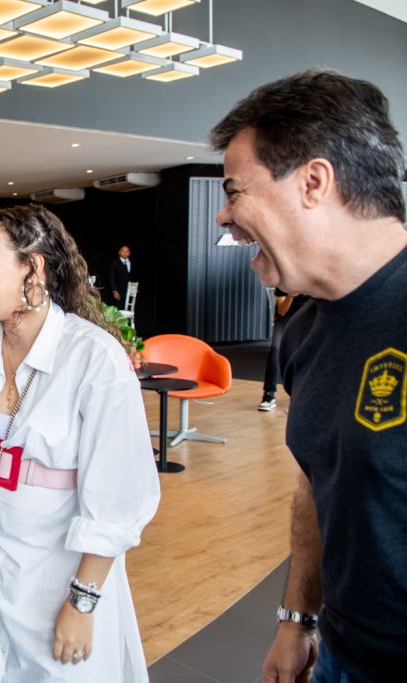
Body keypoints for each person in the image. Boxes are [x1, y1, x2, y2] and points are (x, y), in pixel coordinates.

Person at [211, 69, 407, 682]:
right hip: (341, 655)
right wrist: (298, 618)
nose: (223, 217)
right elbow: (319, 484)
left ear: (314, 182)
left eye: (235, 191)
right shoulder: (303, 333)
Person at [0, 205, 161, 681]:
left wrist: (82, 603)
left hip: (60, 575)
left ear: (33, 267)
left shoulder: (94, 359)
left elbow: (117, 498)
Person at [258, 288, 309, 411]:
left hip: (305, 317)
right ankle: (269, 395)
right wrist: (291, 295)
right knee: (276, 348)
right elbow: (281, 310)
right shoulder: (286, 279)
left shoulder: (311, 279)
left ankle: (297, 396)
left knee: (306, 351)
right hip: (285, 317)